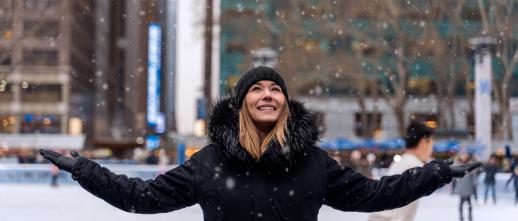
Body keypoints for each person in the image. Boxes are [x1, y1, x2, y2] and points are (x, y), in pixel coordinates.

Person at [40, 66, 481, 221]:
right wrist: (84, 169)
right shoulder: (208, 163)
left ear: (285, 104)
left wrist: (437, 172)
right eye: (256, 88)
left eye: (275, 89)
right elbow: (141, 198)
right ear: (241, 103)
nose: (267, 94)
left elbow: (375, 195)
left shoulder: (313, 163)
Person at [367, 121, 436, 221]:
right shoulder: (414, 165)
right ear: (423, 142)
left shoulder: (405, 161)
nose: (431, 150)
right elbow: (397, 213)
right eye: (431, 144)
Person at [454, 153, 477, 221]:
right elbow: (455, 177)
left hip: (467, 187)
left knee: (467, 204)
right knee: (463, 204)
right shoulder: (459, 166)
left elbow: (473, 178)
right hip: (463, 188)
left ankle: (468, 217)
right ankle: (462, 217)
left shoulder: (469, 167)